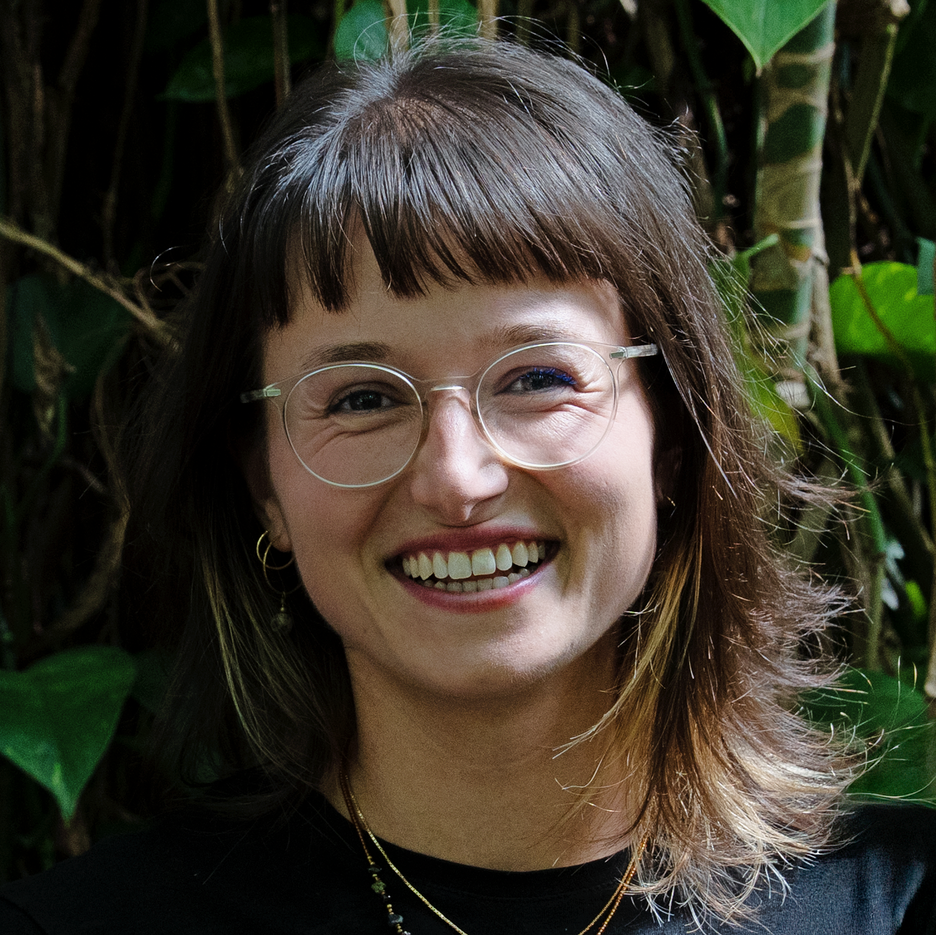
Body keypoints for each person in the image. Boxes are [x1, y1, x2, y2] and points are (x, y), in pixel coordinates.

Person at [2, 36, 934, 935]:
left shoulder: (901, 905)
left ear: (673, 445)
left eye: (538, 378)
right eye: (363, 397)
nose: (457, 477)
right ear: (264, 491)